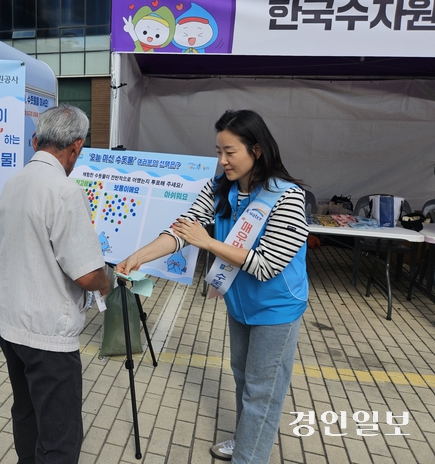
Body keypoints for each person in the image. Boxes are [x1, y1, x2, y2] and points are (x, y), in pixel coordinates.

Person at [117, 109, 309, 464]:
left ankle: (250, 457)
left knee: (261, 391)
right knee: (243, 378)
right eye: (218, 151)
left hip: (277, 307)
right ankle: (246, 439)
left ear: (257, 150)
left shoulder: (288, 198)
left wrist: (207, 242)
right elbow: (182, 231)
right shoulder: (219, 189)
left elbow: (266, 265)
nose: (221, 161)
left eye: (229, 152)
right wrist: (139, 256)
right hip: (240, 305)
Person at [0, 104, 110, 464]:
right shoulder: (64, 190)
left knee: (26, 411)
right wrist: (109, 280)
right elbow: (87, 274)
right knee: (60, 432)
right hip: (47, 332)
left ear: (35, 139)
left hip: (10, 322)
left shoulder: (14, 182)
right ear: (76, 146)